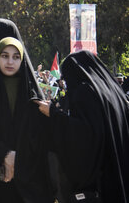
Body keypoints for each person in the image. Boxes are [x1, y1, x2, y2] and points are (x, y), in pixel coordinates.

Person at [0, 37, 53, 203]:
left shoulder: (31, 92)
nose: (10, 62)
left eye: (16, 57)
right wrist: (4, 154)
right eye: (5, 56)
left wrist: (17, 160)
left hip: (27, 178)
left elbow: (39, 134)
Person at [35, 51, 129, 202]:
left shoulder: (85, 92)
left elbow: (84, 137)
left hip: (102, 186)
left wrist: (53, 114)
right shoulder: (114, 93)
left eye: (67, 78)